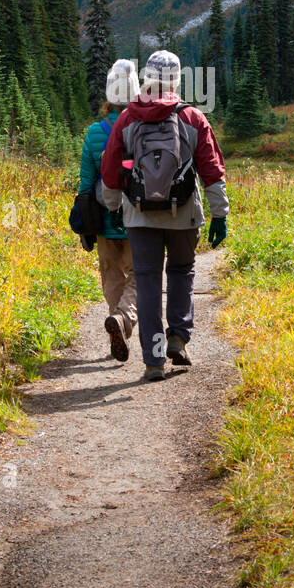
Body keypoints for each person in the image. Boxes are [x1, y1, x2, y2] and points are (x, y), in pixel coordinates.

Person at [100, 49, 228, 382]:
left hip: (140, 216)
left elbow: (111, 168)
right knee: (182, 271)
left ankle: (154, 359)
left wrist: (113, 207)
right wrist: (219, 213)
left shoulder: (128, 117)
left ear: (147, 79)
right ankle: (178, 338)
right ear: (175, 79)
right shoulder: (191, 117)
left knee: (147, 280)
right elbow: (212, 169)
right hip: (183, 213)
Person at [79, 60, 140, 362]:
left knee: (112, 277)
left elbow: (86, 183)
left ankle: (117, 323)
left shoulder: (94, 133)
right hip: (138, 219)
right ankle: (124, 320)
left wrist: (86, 227)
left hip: (103, 221)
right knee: (141, 274)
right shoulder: (141, 129)